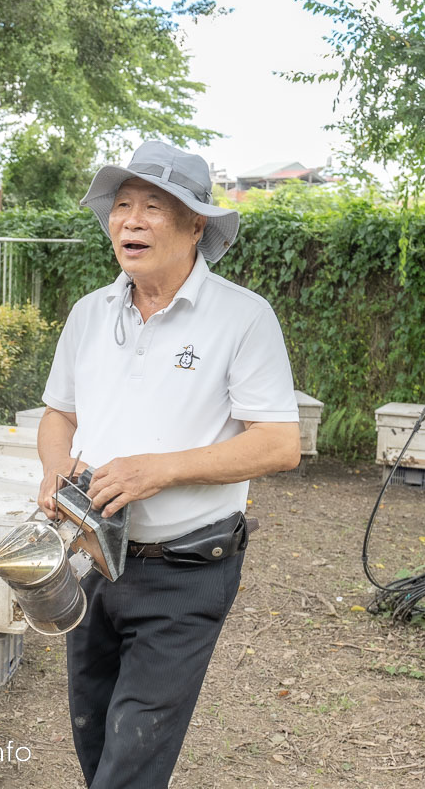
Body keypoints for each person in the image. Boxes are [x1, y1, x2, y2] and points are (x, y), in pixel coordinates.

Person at [36, 140, 301, 789]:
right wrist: (51, 470)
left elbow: (279, 443)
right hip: (93, 558)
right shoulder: (90, 314)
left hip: (186, 570)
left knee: (132, 758)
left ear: (195, 225)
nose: (130, 220)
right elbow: (58, 413)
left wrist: (161, 469)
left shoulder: (242, 318)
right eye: (121, 205)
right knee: (94, 736)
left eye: (154, 207)